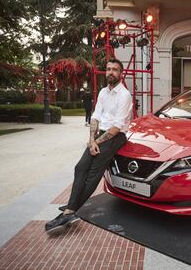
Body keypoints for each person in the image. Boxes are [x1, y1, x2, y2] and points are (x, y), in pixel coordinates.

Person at [45, 58, 132, 235]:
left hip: (116, 136)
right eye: (108, 69)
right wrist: (92, 139)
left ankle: (70, 211)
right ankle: (72, 206)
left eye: (115, 69)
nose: (111, 72)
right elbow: (95, 117)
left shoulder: (124, 95)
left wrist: (96, 142)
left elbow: (116, 127)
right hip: (100, 135)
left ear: (120, 74)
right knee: (80, 167)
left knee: (93, 173)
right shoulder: (102, 92)